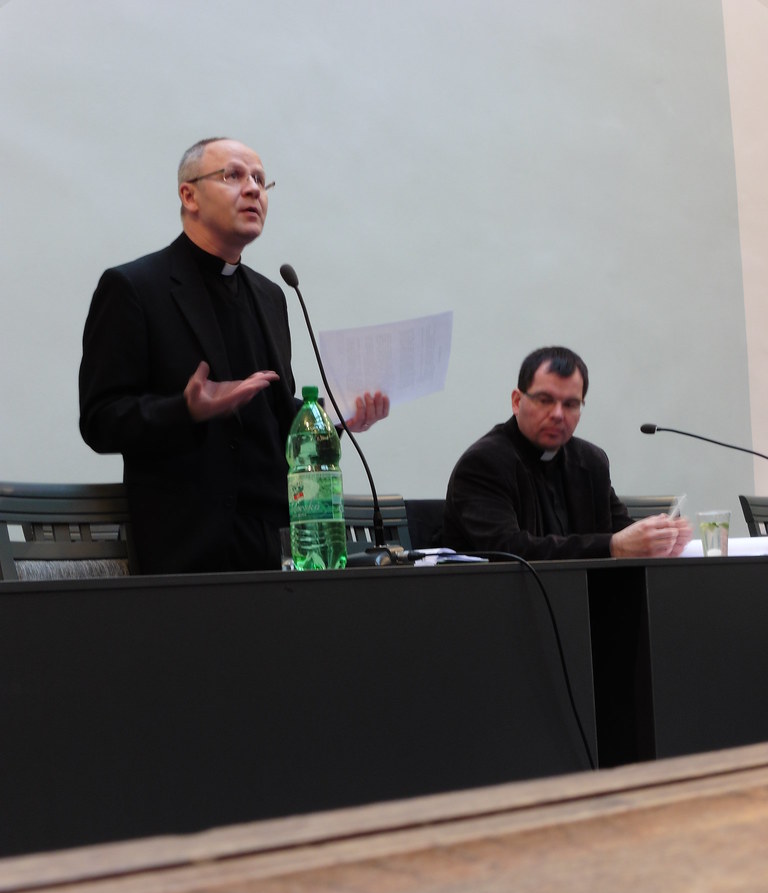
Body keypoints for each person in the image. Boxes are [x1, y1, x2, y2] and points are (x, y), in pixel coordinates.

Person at [79, 137, 388, 574]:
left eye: (261, 180)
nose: (253, 189)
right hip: (189, 549)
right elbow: (100, 421)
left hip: (279, 545)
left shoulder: (271, 295)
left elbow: (274, 416)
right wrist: (186, 409)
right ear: (189, 195)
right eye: (234, 176)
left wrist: (333, 417)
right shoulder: (135, 288)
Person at [442, 346, 691, 560]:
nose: (558, 414)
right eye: (545, 400)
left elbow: (620, 531)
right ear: (517, 401)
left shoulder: (591, 461)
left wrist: (658, 541)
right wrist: (613, 546)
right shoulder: (483, 464)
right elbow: (508, 551)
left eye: (571, 404)